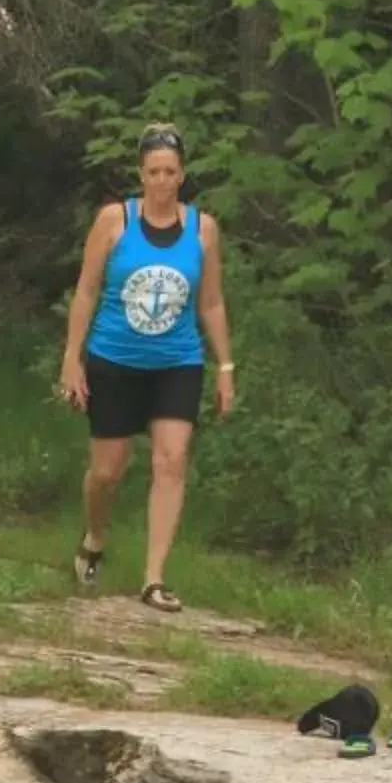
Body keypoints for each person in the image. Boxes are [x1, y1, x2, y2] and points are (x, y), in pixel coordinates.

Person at [58, 122, 235, 615]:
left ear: (182, 176)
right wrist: (72, 359)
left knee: (171, 460)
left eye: (170, 172)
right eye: (153, 171)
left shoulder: (202, 230)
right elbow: (87, 290)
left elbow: (213, 302)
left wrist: (225, 366)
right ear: (141, 174)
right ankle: (94, 538)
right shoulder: (115, 221)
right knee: (108, 471)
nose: (162, 180)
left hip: (176, 362)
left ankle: (154, 579)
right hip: (114, 359)